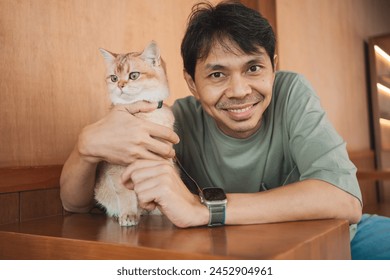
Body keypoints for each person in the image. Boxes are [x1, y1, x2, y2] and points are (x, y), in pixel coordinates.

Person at [60, 0, 390, 259]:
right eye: (217, 74)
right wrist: (85, 148)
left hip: (336, 238)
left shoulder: (292, 92)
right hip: (236, 255)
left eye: (254, 68)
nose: (239, 90)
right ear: (191, 82)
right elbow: (75, 206)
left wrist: (202, 208)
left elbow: (345, 200)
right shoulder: (173, 119)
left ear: (274, 66)